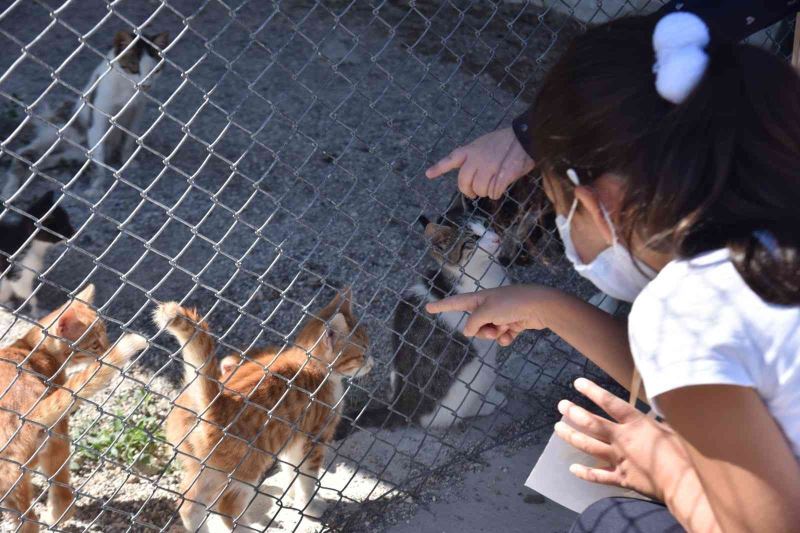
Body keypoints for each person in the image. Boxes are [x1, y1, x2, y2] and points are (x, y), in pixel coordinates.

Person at [426, 9, 800, 533]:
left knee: (611, 519)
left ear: (597, 201)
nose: (561, 222)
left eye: (557, 205)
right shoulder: (767, 242)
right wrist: (548, 306)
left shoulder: (689, 310)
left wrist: (669, 471)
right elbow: (718, 383)